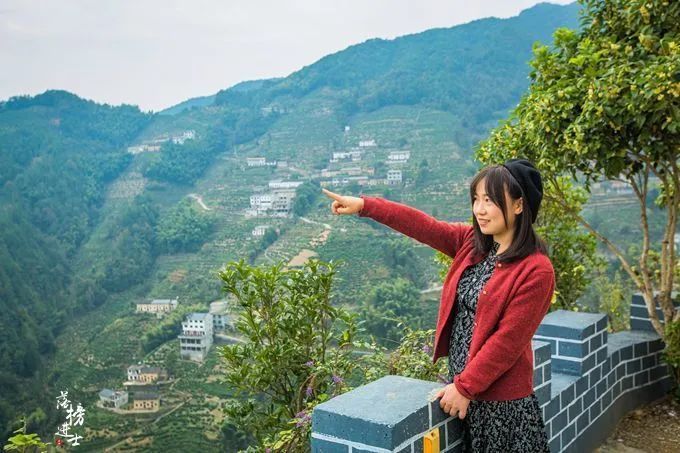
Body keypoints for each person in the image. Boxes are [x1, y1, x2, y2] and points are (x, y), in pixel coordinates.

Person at [321, 158, 554, 452]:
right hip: (464, 394)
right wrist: (365, 206)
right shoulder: (473, 242)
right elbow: (423, 225)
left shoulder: (536, 269)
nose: (479, 210)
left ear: (519, 205)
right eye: (477, 199)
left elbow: (507, 342)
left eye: (490, 201)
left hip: (501, 407)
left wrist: (464, 387)